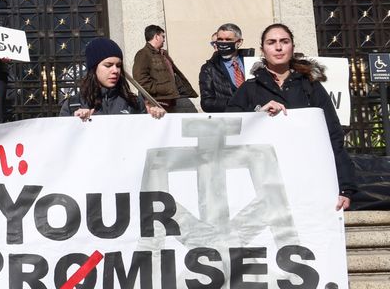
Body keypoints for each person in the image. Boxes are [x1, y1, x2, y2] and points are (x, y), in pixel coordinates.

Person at [226, 23, 356, 211]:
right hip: (264, 185)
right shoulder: (249, 89)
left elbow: (333, 137)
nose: (278, 47)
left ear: (292, 47)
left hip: (308, 182)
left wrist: (345, 188)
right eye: (271, 42)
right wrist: (257, 115)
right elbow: (229, 128)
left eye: (284, 41)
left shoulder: (311, 87)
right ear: (263, 50)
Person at [60, 37, 166, 120]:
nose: (115, 70)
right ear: (94, 68)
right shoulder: (72, 105)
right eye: (108, 65)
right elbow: (63, 141)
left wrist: (156, 118)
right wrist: (73, 123)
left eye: (118, 65)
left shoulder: (134, 103)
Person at [132, 24, 199, 113]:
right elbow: (140, 79)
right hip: (155, 103)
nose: (164, 40)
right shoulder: (143, 54)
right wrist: (157, 91)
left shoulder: (163, 54)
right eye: (163, 37)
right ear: (156, 37)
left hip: (170, 101)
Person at [198, 23, 247, 112]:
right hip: (227, 120)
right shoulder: (208, 68)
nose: (223, 43)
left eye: (228, 39)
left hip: (254, 119)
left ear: (239, 42)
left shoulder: (253, 63)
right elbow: (206, 103)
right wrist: (235, 103)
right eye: (220, 39)